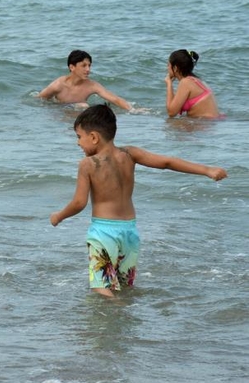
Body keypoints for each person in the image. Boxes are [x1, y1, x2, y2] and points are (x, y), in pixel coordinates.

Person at [49, 104, 227, 297]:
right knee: (124, 286)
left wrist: (59, 216)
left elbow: (79, 203)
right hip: (130, 232)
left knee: (101, 288)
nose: (78, 143)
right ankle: (125, 319)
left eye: (79, 137)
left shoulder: (87, 164)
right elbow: (167, 162)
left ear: (93, 137)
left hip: (104, 233)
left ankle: (115, 320)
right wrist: (207, 170)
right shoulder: (130, 154)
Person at [38, 50, 133, 111]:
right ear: (72, 67)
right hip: (61, 113)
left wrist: (131, 110)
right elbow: (39, 99)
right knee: (84, 106)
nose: (88, 69)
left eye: (89, 65)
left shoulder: (91, 85)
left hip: (80, 117)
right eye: (83, 66)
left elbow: (114, 98)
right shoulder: (58, 85)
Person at [165, 49, 220, 118]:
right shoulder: (197, 81)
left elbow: (171, 112)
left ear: (175, 68)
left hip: (205, 123)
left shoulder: (185, 82)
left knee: (169, 124)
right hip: (211, 123)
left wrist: (169, 84)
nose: (167, 68)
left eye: (168, 65)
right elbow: (174, 106)